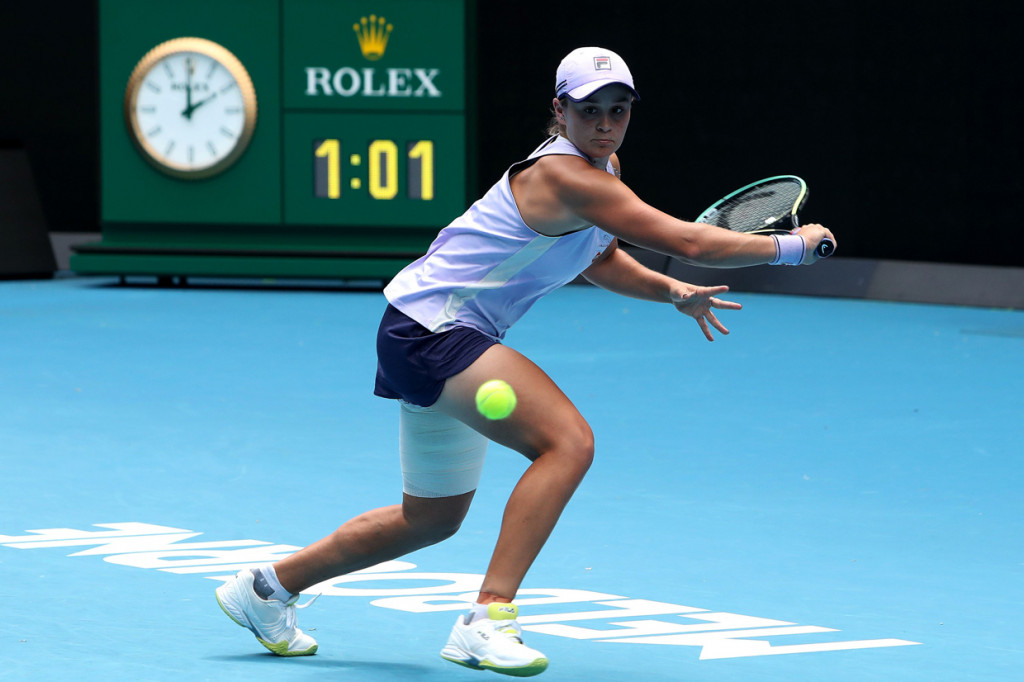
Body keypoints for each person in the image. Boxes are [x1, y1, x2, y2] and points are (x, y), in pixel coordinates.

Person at [215, 46, 836, 676]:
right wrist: (792, 247)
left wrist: (670, 290)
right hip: (435, 331)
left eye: (618, 110)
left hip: (417, 331)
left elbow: (599, 259)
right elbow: (690, 240)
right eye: (589, 110)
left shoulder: (602, 171)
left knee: (429, 519)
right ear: (560, 111)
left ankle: (266, 588)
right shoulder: (568, 177)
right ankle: (487, 619)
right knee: (569, 443)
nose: (605, 124)